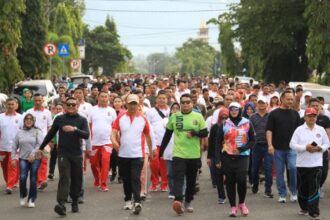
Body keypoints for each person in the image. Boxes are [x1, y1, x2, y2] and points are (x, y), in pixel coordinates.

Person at [36, 97, 90, 216]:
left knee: (76, 178)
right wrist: (41, 148)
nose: (71, 107)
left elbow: (86, 135)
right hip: (63, 153)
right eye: (68, 105)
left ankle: (75, 201)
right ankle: (61, 204)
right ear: (65, 106)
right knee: (64, 177)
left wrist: (75, 129)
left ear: (77, 106)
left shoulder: (82, 120)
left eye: (73, 105)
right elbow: (51, 134)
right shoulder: (60, 119)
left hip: (76, 153)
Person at [160, 94, 208, 215]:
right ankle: (178, 201)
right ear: (180, 104)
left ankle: (188, 201)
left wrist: (195, 133)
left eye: (188, 102)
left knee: (191, 180)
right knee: (178, 177)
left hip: (193, 154)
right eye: (183, 102)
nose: (186, 104)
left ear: (192, 103)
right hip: (178, 153)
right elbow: (167, 135)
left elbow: (204, 132)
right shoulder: (175, 116)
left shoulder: (198, 116)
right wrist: (161, 151)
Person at [111, 94, 153, 215]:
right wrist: (114, 141)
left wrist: (150, 151)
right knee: (126, 179)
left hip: (137, 154)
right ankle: (128, 200)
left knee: (135, 178)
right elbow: (113, 132)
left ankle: (137, 202)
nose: (133, 106)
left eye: (135, 103)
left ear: (138, 104)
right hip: (123, 154)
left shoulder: (143, 119)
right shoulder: (121, 117)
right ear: (127, 104)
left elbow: (148, 136)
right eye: (131, 103)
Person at [215, 102, 255, 217]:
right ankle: (233, 207)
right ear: (229, 110)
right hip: (227, 156)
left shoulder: (247, 123)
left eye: (236, 109)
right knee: (230, 181)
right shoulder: (224, 124)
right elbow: (217, 142)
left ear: (239, 110)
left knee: (242, 180)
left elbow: (253, 141)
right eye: (231, 109)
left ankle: (242, 203)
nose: (233, 111)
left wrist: (242, 148)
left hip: (243, 156)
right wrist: (217, 159)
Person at [290, 108, 329, 220]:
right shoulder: (299, 130)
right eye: (309, 116)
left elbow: (327, 143)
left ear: (316, 117)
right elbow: (292, 144)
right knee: (303, 188)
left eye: (314, 116)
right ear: (305, 117)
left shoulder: (321, 129)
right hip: (302, 164)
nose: (312, 118)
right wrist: (305, 147)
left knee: (314, 188)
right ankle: (304, 207)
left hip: (316, 164)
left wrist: (320, 148)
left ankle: (314, 213)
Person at [266, 90, 300, 203]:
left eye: (292, 99)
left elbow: (299, 132)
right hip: (278, 148)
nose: (290, 101)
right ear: (282, 99)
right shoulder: (274, 113)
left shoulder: (295, 114)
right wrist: (270, 145)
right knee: (279, 172)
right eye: (288, 99)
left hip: (292, 148)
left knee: (293, 168)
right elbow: (269, 130)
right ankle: (282, 194)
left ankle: (294, 191)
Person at [11, 113, 42, 207]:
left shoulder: (37, 131)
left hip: (35, 158)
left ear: (33, 121)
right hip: (23, 158)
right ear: (24, 121)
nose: (28, 120)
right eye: (26, 119)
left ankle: (32, 199)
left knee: (33, 179)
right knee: (23, 177)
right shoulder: (20, 132)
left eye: (31, 119)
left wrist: (33, 154)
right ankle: (23, 195)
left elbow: (39, 144)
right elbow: (14, 146)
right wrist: (13, 158)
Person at [89, 91, 117, 192]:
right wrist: (88, 141)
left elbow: (115, 127)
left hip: (107, 142)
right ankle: (97, 178)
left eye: (106, 97)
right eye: (102, 97)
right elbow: (89, 125)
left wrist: (115, 141)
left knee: (106, 161)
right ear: (98, 98)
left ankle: (103, 183)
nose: (104, 99)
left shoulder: (112, 111)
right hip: (94, 143)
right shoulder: (92, 110)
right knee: (93, 163)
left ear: (108, 98)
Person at [26, 93, 52, 190]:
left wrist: (50, 141)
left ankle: (42, 180)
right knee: (35, 162)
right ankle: (37, 181)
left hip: (44, 140)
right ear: (33, 101)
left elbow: (50, 128)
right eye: (36, 100)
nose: (37, 102)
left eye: (39, 100)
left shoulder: (47, 112)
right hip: (32, 140)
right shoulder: (29, 112)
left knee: (44, 160)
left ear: (42, 101)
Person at [250, 97, 274, 198]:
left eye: (263, 103)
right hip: (256, 146)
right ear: (257, 105)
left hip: (268, 146)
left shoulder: (271, 116)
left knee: (268, 168)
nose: (261, 105)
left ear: (266, 104)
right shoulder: (252, 117)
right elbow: (249, 131)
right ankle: (255, 184)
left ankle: (268, 190)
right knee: (254, 169)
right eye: (259, 103)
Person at [146, 90, 170, 192]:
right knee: (154, 164)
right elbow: (147, 127)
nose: (161, 100)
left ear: (167, 100)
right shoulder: (150, 112)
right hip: (154, 142)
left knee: (164, 165)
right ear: (156, 99)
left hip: (167, 143)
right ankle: (154, 183)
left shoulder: (171, 111)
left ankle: (164, 184)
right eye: (160, 98)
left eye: (163, 98)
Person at [0, 98, 23, 194]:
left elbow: (23, 132)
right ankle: (10, 182)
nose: (10, 106)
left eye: (12, 104)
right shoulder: (1, 117)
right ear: (6, 105)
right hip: (2, 147)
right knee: (4, 167)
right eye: (8, 104)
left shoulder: (20, 117)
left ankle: (9, 185)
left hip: (15, 148)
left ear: (16, 105)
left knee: (12, 166)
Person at [207, 107, 229, 204]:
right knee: (218, 176)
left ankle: (230, 194)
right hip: (217, 154)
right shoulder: (215, 127)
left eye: (226, 117)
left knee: (229, 176)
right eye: (222, 117)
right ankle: (221, 196)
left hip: (229, 154)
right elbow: (211, 142)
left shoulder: (232, 127)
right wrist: (209, 157)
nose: (224, 119)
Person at [163, 102, 180, 199]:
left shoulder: (183, 120)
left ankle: (179, 191)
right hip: (168, 151)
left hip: (180, 150)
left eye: (177, 108)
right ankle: (172, 191)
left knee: (179, 173)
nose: (175, 110)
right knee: (170, 173)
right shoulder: (166, 120)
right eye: (173, 108)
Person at [48, 103, 64, 181]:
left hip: (62, 142)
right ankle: (51, 172)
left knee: (61, 159)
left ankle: (62, 173)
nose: (58, 110)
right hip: (54, 141)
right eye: (56, 109)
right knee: (53, 158)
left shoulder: (63, 118)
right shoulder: (51, 118)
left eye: (59, 109)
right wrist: (52, 141)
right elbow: (51, 131)